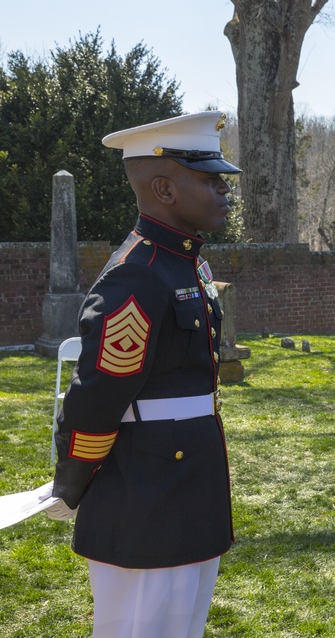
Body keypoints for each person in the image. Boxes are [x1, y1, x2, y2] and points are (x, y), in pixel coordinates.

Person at [45, 111, 240, 638]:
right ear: (163, 188)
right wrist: (73, 479)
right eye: (210, 180)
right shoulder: (140, 272)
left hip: (185, 486)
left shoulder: (184, 262)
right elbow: (99, 393)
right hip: (144, 497)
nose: (224, 191)